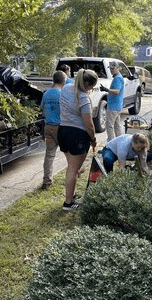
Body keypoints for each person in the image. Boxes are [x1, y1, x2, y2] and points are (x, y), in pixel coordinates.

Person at [58, 69, 98, 210]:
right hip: (77, 136)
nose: (92, 90)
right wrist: (93, 139)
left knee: (71, 168)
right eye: (92, 87)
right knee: (73, 170)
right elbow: (88, 123)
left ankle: (71, 195)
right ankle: (68, 203)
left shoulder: (66, 88)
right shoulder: (83, 98)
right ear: (88, 85)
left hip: (62, 131)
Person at [40, 70, 66, 189]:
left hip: (48, 127)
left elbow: (43, 110)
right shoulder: (63, 94)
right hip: (60, 128)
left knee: (49, 155)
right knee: (70, 153)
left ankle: (46, 182)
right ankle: (78, 171)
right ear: (63, 81)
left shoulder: (46, 94)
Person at [100, 60, 124, 141]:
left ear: (118, 68)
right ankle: (120, 142)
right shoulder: (118, 77)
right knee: (117, 126)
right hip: (117, 106)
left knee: (109, 126)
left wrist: (106, 89)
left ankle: (111, 144)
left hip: (113, 107)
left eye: (113, 68)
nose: (111, 70)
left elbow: (117, 91)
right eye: (110, 69)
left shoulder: (117, 78)